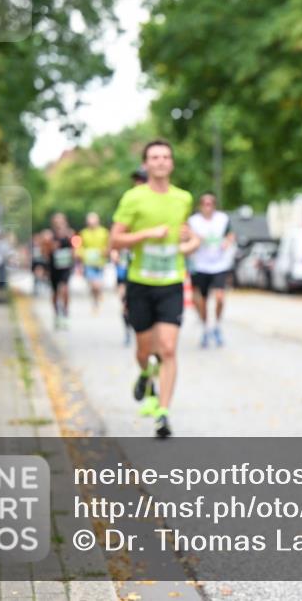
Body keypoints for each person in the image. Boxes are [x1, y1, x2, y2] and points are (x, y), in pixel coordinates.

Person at [110, 139, 199, 438]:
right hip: (140, 283)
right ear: (146, 164)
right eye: (154, 157)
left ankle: (162, 413)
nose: (160, 162)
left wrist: (190, 242)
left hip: (172, 281)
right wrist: (147, 233)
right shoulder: (133, 198)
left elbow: (187, 237)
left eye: (165, 157)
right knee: (144, 350)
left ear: (171, 163)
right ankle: (146, 375)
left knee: (169, 348)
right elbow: (115, 240)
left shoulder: (183, 198)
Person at [187, 193, 235, 348]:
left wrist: (227, 242)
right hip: (200, 264)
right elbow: (187, 237)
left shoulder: (222, 219)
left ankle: (217, 325)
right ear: (200, 205)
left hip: (218, 264)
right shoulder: (193, 222)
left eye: (210, 204)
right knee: (201, 300)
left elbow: (230, 234)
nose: (208, 207)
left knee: (220, 297)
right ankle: (205, 327)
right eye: (204, 204)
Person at [113, 167, 149, 345]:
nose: (138, 184)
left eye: (142, 180)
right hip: (127, 264)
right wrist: (114, 251)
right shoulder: (129, 201)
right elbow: (116, 233)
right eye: (136, 181)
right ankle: (128, 331)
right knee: (125, 300)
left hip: (149, 266)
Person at [47, 213, 75, 329]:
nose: (59, 224)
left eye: (61, 221)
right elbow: (45, 251)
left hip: (66, 267)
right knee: (55, 292)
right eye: (56, 222)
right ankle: (56, 314)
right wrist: (51, 246)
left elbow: (75, 248)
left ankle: (65, 312)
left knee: (64, 289)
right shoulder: (49, 236)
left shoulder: (70, 234)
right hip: (54, 267)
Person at [78, 212, 109, 313]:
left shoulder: (104, 232)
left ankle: (97, 297)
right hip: (88, 262)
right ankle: (95, 301)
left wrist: (105, 251)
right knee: (93, 285)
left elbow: (108, 245)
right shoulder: (83, 233)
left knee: (97, 285)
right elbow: (79, 247)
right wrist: (81, 254)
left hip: (100, 262)